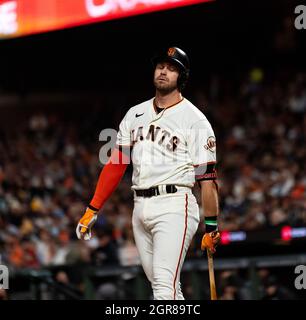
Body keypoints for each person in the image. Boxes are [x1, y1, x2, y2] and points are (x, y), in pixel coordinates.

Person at [76, 46, 220, 300]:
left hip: (175, 204)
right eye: (161, 66)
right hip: (139, 207)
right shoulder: (135, 113)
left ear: (182, 77)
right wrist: (93, 208)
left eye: (172, 68)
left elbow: (207, 180)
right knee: (165, 288)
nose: (164, 72)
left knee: (164, 287)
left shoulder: (195, 120)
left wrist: (211, 226)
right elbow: (117, 163)